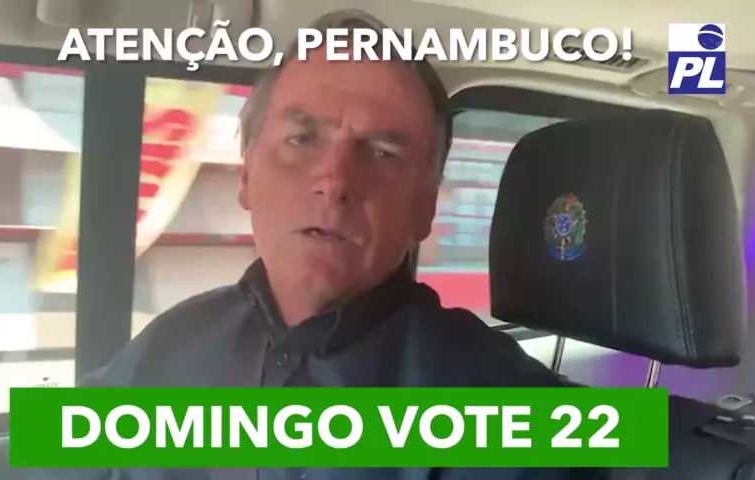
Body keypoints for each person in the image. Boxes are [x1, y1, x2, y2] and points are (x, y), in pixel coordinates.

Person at [33, 11, 601, 480]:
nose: (335, 180)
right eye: (302, 139)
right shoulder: (167, 347)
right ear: (247, 174)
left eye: (383, 153)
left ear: (425, 207)